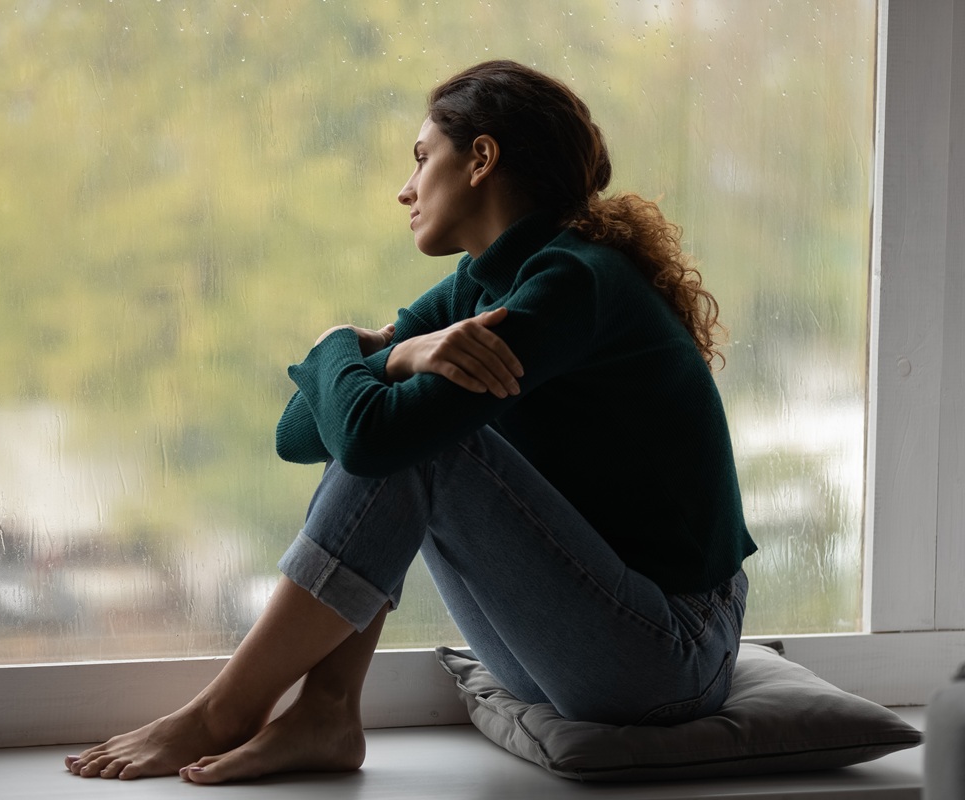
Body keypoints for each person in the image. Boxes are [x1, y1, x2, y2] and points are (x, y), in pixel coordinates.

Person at [64, 59, 756, 785]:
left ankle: (223, 713)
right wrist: (396, 361)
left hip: (671, 654)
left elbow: (370, 439)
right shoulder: (480, 282)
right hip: (583, 646)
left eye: (423, 159)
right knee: (387, 433)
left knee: (419, 447)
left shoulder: (572, 282)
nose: (406, 188)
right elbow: (301, 434)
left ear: (481, 158)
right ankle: (324, 710)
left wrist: (339, 340)